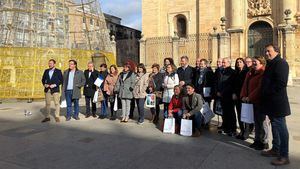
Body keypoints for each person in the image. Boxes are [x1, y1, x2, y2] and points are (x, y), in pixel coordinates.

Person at [260, 44, 291, 166]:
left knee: (281, 128)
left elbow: (281, 83)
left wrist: (267, 92)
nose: (266, 53)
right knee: (274, 126)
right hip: (270, 102)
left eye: (269, 51)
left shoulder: (281, 63)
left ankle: (284, 155)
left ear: (276, 51)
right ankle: (275, 148)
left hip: (278, 102)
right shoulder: (271, 63)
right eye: (265, 51)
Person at [241, 56, 270, 150]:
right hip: (252, 101)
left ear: (261, 63)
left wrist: (250, 97)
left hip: (261, 101)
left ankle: (265, 142)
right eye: (252, 62)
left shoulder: (263, 72)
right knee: (256, 122)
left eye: (255, 62)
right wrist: (243, 96)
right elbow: (245, 85)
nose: (253, 63)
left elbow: (260, 87)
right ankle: (257, 140)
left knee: (263, 122)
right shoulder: (250, 72)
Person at [216, 57, 237, 136]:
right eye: (223, 62)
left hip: (228, 95)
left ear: (229, 63)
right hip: (221, 95)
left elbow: (232, 84)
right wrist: (218, 91)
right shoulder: (221, 71)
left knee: (231, 113)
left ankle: (233, 129)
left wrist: (224, 92)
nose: (223, 64)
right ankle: (225, 128)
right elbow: (219, 82)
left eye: (224, 62)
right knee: (224, 113)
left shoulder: (232, 72)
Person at [233, 58, 249, 140]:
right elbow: (234, 85)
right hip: (237, 96)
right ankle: (242, 131)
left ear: (244, 63)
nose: (238, 63)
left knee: (245, 115)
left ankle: (246, 132)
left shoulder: (247, 72)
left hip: (243, 96)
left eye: (240, 62)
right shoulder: (236, 72)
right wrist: (234, 93)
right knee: (239, 114)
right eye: (237, 62)